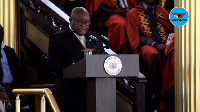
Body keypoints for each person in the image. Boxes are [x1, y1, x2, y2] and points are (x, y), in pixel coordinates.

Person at [48, 7, 106, 112]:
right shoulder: (58, 38)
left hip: (94, 93)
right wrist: (75, 66)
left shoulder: (94, 38)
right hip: (70, 93)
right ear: (71, 20)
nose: (84, 25)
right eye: (80, 22)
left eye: (87, 22)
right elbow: (52, 64)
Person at [126, 0, 174, 111]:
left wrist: (167, 43)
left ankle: (170, 88)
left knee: (174, 51)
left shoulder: (163, 12)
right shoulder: (133, 13)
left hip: (164, 43)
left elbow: (171, 30)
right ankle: (155, 91)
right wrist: (154, 44)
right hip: (143, 46)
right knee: (152, 53)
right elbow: (136, 37)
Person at [0, 24, 21, 111]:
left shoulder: (9, 51)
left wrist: (19, 89)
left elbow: (18, 71)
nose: (0, 35)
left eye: (1, 33)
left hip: (13, 88)